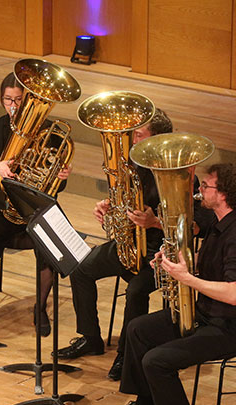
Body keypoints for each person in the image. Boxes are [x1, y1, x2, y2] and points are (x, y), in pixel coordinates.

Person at [99, 163, 236, 405]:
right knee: (138, 330)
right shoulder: (220, 224)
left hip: (232, 327)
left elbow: (233, 293)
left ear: (223, 194)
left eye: (206, 186)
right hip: (208, 314)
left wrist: (187, 279)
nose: (200, 190)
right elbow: (209, 261)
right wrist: (172, 262)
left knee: (157, 360)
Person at [55, 110, 173, 380]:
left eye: (138, 135)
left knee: (136, 291)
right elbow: (123, 201)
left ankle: (126, 354)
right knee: (80, 269)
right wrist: (107, 208)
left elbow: (193, 225)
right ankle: (90, 338)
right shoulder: (132, 166)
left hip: (161, 254)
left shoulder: (176, 172)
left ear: (157, 139)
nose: (131, 140)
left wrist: (155, 222)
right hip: (129, 244)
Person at [0, 72, 71, 336]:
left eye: (18, 100)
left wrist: (61, 176)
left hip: (38, 208)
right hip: (4, 206)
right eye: (7, 99)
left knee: (49, 248)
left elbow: (57, 183)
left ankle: (40, 307)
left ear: (29, 100)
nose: (12, 106)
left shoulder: (50, 132)